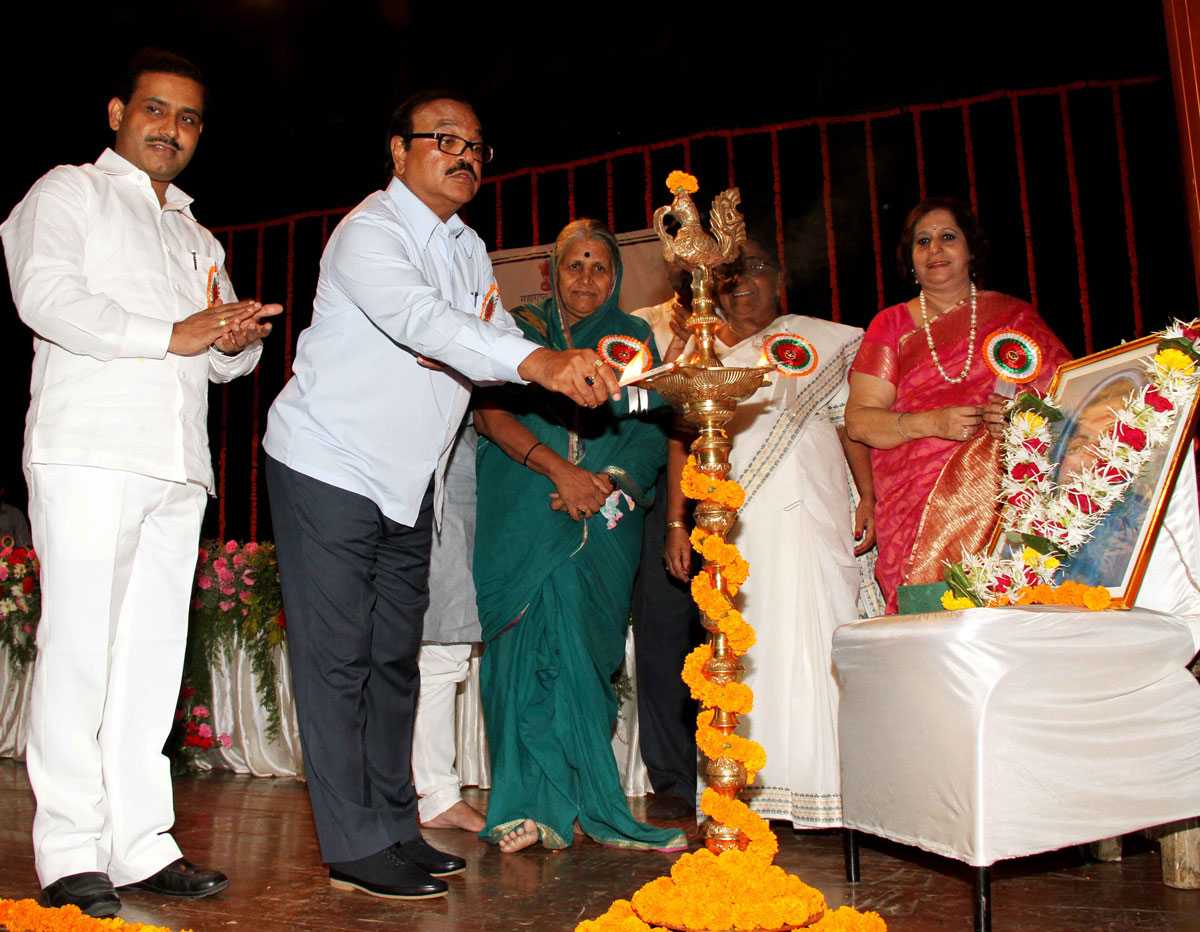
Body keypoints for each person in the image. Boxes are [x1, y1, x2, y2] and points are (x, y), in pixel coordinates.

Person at [263, 92, 620, 901]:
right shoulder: (370, 233)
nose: (464, 156)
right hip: (329, 465)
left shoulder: (468, 248)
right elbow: (427, 323)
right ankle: (353, 844)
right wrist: (537, 362)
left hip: (408, 480)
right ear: (398, 151)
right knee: (339, 661)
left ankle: (394, 827)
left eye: (477, 147)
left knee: (394, 661)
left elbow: (467, 345)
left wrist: (504, 356)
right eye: (444, 140)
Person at [0, 49, 280, 918]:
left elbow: (226, 350)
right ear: (118, 111)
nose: (172, 129)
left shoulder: (197, 233)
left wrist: (235, 340)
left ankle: (139, 843)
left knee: (152, 665)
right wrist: (176, 332)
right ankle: (70, 850)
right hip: (89, 448)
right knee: (80, 652)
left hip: (176, 464)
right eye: (156, 110)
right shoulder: (66, 193)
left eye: (189, 118)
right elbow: (44, 298)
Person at [472, 218, 686, 854]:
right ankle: (523, 808)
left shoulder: (635, 337)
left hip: (603, 515)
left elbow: (649, 430)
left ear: (615, 276)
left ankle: (595, 806)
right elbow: (488, 412)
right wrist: (562, 471)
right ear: (553, 272)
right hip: (523, 505)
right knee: (518, 658)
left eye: (599, 267)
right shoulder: (515, 331)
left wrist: (604, 481)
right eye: (574, 265)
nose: (586, 278)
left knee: (585, 661)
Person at [663, 237, 876, 828]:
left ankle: (833, 790)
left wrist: (870, 495)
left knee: (822, 626)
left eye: (755, 268)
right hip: (737, 519)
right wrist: (678, 523)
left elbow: (846, 422)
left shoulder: (823, 341)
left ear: (780, 276)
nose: (744, 282)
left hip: (816, 504)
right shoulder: (706, 361)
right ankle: (748, 792)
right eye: (731, 275)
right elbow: (681, 440)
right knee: (752, 640)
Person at [845, 196, 1070, 613]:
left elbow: (1067, 401)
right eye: (922, 241)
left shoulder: (1012, 317)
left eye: (948, 237)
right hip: (914, 503)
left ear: (971, 250)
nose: (935, 249)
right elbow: (859, 421)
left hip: (1003, 495)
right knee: (929, 626)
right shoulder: (890, 326)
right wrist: (930, 423)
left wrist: (1021, 420)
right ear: (910, 261)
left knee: (1012, 616)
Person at [627, 269, 703, 820]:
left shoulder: (753, 328)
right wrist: (667, 362)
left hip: (747, 493)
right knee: (663, 638)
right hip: (667, 495)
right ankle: (673, 778)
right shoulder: (642, 329)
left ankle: (745, 771)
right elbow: (628, 413)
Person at [412, 421, 486, 834]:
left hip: (479, 470)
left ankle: (434, 791)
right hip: (442, 467)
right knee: (441, 645)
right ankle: (436, 794)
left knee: (445, 645)